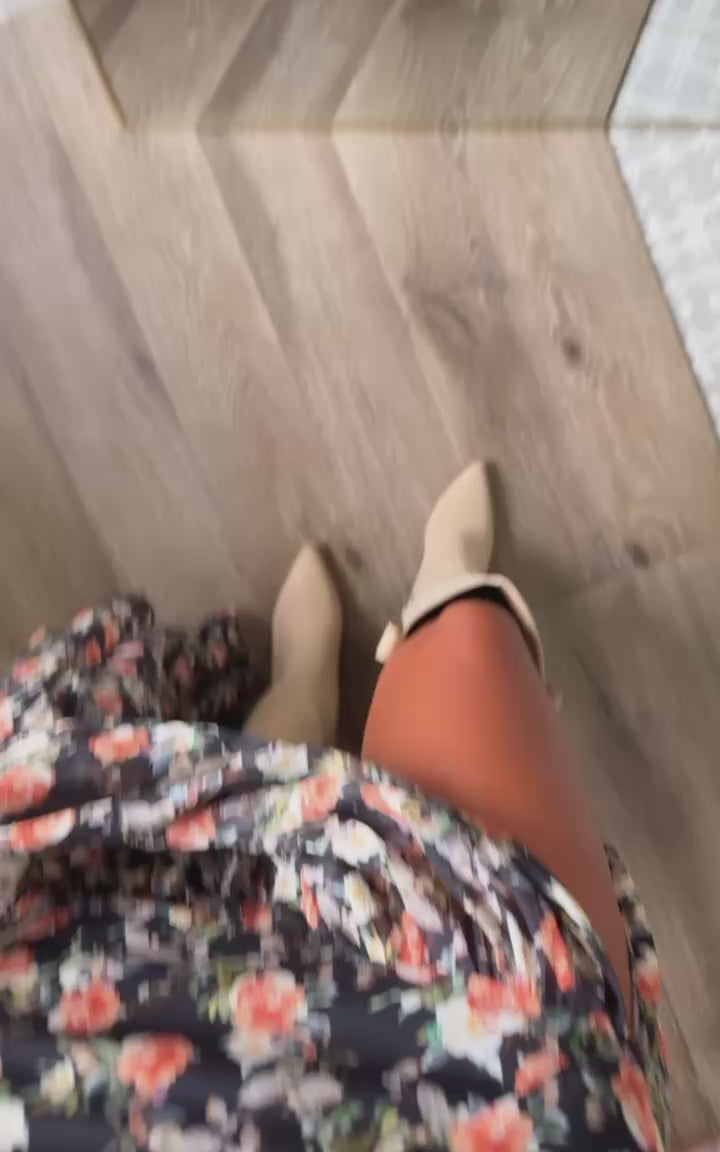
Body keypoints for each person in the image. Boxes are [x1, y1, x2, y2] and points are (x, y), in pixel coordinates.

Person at [0, 465, 667, 1152]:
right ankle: (429, 614)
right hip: (467, 1072)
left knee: (205, 828)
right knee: (472, 647)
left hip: (85, 983)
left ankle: (299, 703)